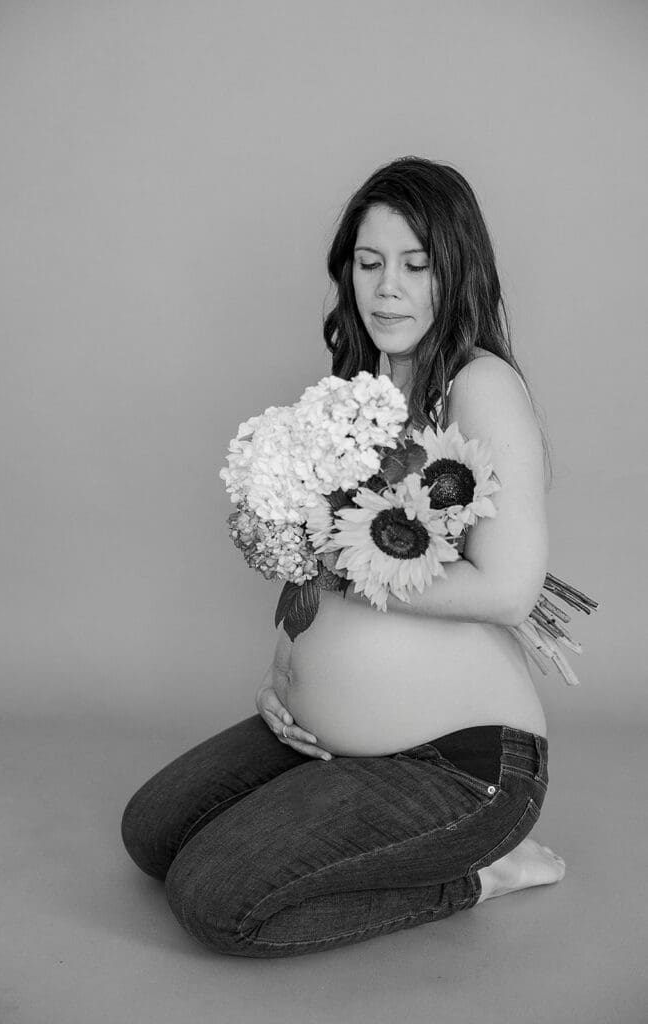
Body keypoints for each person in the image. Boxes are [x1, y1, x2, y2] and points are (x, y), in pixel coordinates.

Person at [121, 156, 565, 958]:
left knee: (214, 902)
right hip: (334, 737)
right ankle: (326, 808)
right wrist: (283, 673)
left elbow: (507, 588)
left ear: (453, 272)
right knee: (151, 833)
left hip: (458, 766)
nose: (386, 286)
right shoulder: (358, 390)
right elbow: (309, 570)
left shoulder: (477, 384)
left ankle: (481, 872)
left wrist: (346, 549)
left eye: (414, 265)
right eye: (368, 263)